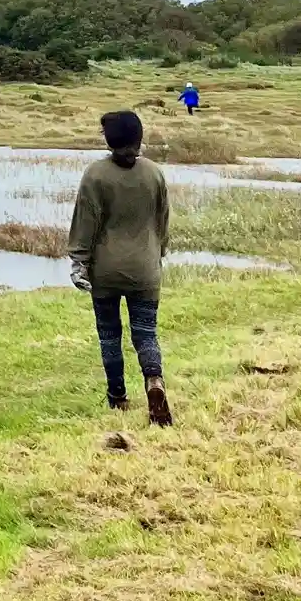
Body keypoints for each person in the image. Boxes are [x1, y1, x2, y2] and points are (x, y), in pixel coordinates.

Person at [68, 110, 173, 426]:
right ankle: (154, 381)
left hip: (106, 271)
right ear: (139, 138)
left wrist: (78, 262)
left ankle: (118, 398)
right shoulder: (154, 174)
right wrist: (157, 254)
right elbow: (163, 223)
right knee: (146, 333)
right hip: (145, 269)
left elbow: (85, 224)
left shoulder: (95, 175)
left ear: (109, 139)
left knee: (109, 335)